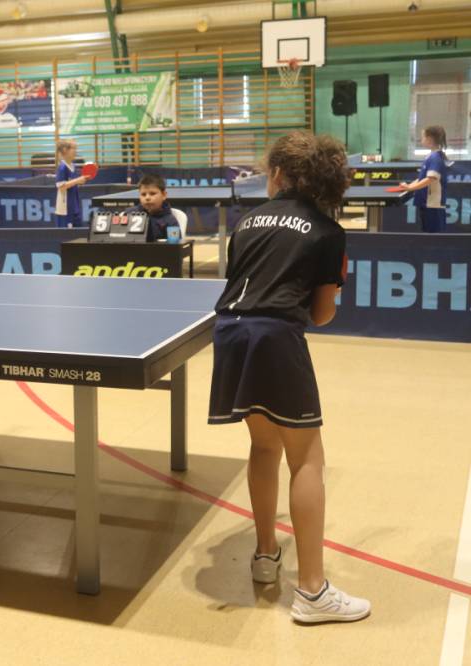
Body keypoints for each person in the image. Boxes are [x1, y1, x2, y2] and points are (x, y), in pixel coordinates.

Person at [208, 131, 370, 624]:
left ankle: (265, 554)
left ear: (278, 174)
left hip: (230, 334)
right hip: (275, 338)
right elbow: (321, 314)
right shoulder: (327, 230)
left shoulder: (248, 221)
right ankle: (313, 592)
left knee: (264, 446)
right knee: (307, 460)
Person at [400, 125, 450, 233]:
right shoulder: (430, 156)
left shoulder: (435, 158)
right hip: (426, 203)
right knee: (427, 234)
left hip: (433, 205)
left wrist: (410, 188)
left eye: (423, 137)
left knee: (433, 237)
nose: (421, 139)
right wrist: (409, 186)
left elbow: (430, 179)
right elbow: (422, 178)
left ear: (430, 139)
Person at [132, 174, 181, 241]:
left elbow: (176, 245)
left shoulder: (171, 221)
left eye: (152, 193)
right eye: (143, 194)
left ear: (164, 195)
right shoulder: (129, 214)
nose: (147, 198)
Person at [53, 139, 89, 228]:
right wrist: (77, 180)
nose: (76, 151)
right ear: (65, 150)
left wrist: (81, 181)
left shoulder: (73, 166)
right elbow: (61, 186)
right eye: (74, 148)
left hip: (75, 207)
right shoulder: (62, 168)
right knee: (67, 235)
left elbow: (72, 183)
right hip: (65, 210)